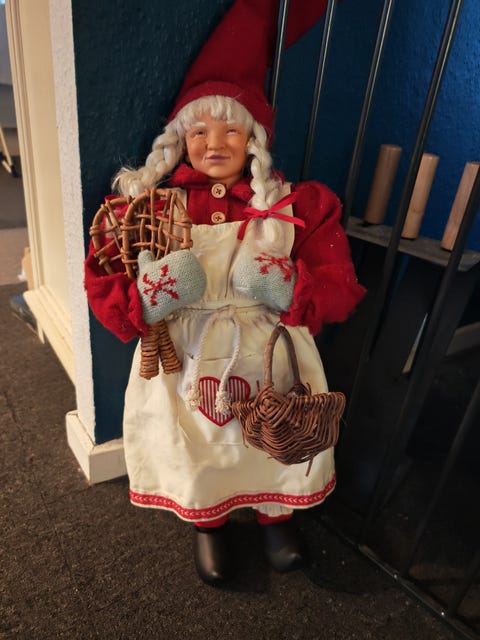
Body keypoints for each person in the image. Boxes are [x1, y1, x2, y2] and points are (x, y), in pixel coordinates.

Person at [84, 0, 365, 586]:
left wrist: (285, 284)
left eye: (232, 128)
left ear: (254, 138)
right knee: (198, 441)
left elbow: (339, 285)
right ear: (180, 138)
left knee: (275, 434)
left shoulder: (295, 206)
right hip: (184, 356)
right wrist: (151, 297)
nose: (215, 142)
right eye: (200, 130)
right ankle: (207, 523)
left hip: (269, 349)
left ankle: (277, 516)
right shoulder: (147, 209)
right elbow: (104, 278)